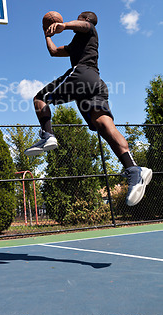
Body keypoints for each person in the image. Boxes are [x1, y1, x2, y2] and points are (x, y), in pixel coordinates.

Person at [24, 11, 152, 207]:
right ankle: (134, 169)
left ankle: (48, 135)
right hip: (96, 85)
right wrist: (47, 35)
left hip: (82, 75)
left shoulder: (89, 29)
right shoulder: (77, 43)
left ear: (84, 19)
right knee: (103, 125)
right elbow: (54, 52)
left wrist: (64, 25)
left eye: (79, 18)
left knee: (39, 98)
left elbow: (83, 26)